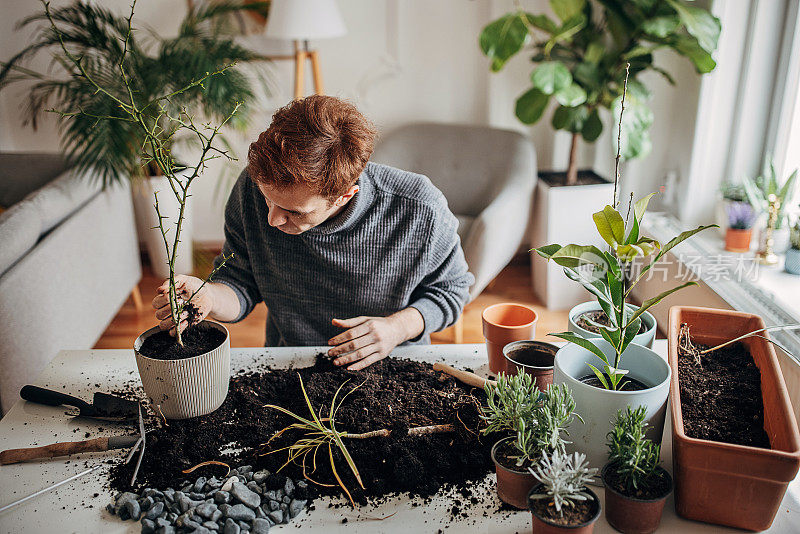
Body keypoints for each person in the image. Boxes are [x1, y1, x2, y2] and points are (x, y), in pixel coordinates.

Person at [152, 95, 473, 370]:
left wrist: (398, 327)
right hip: (289, 363)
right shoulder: (251, 187)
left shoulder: (418, 208)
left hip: (391, 366)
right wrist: (206, 297)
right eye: (268, 201)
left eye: (294, 212)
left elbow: (452, 291)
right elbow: (240, 283)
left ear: (345, 195)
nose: (273, 220)